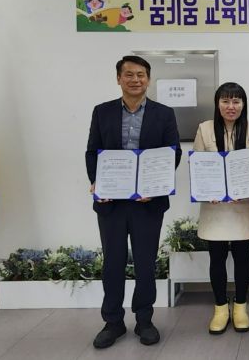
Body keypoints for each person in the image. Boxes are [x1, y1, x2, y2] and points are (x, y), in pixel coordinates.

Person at [85, 55, 182, 349]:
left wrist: (157, 185)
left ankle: (144, 320)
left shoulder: (164, 114)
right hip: (111, 202)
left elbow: (173, 153)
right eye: (129, 74)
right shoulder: (102, 112)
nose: (135, 80)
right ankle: (113, 321)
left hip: (148, 203)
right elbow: (92, 151)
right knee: (112, 263)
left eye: (141, 75)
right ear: (118, 79)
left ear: (148, 80)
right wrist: (99, 182)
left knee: (145, 263)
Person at [193, 82, 249, 334]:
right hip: (215, 208)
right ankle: (220, 307)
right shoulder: (204, 128)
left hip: (244, 206)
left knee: (242, 257)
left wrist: (243, 190)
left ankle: (241, 306)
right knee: (217, 258)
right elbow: (198, 165)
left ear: (243, 104)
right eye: (225, 101)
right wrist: (207, 190)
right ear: (217, 104)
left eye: (236, 101)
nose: (231, 106)